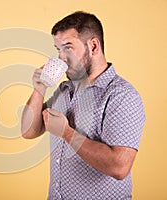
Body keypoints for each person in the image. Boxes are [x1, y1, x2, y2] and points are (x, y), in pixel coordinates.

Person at [21, 11, 145, 199]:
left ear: (93, 46)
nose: (61, 58)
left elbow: (119, 167)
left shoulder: (121, 95)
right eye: (58, 49)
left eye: (68, 48)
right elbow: (29, 130)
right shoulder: (65, 90)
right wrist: (39, 89)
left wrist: (66, 133)